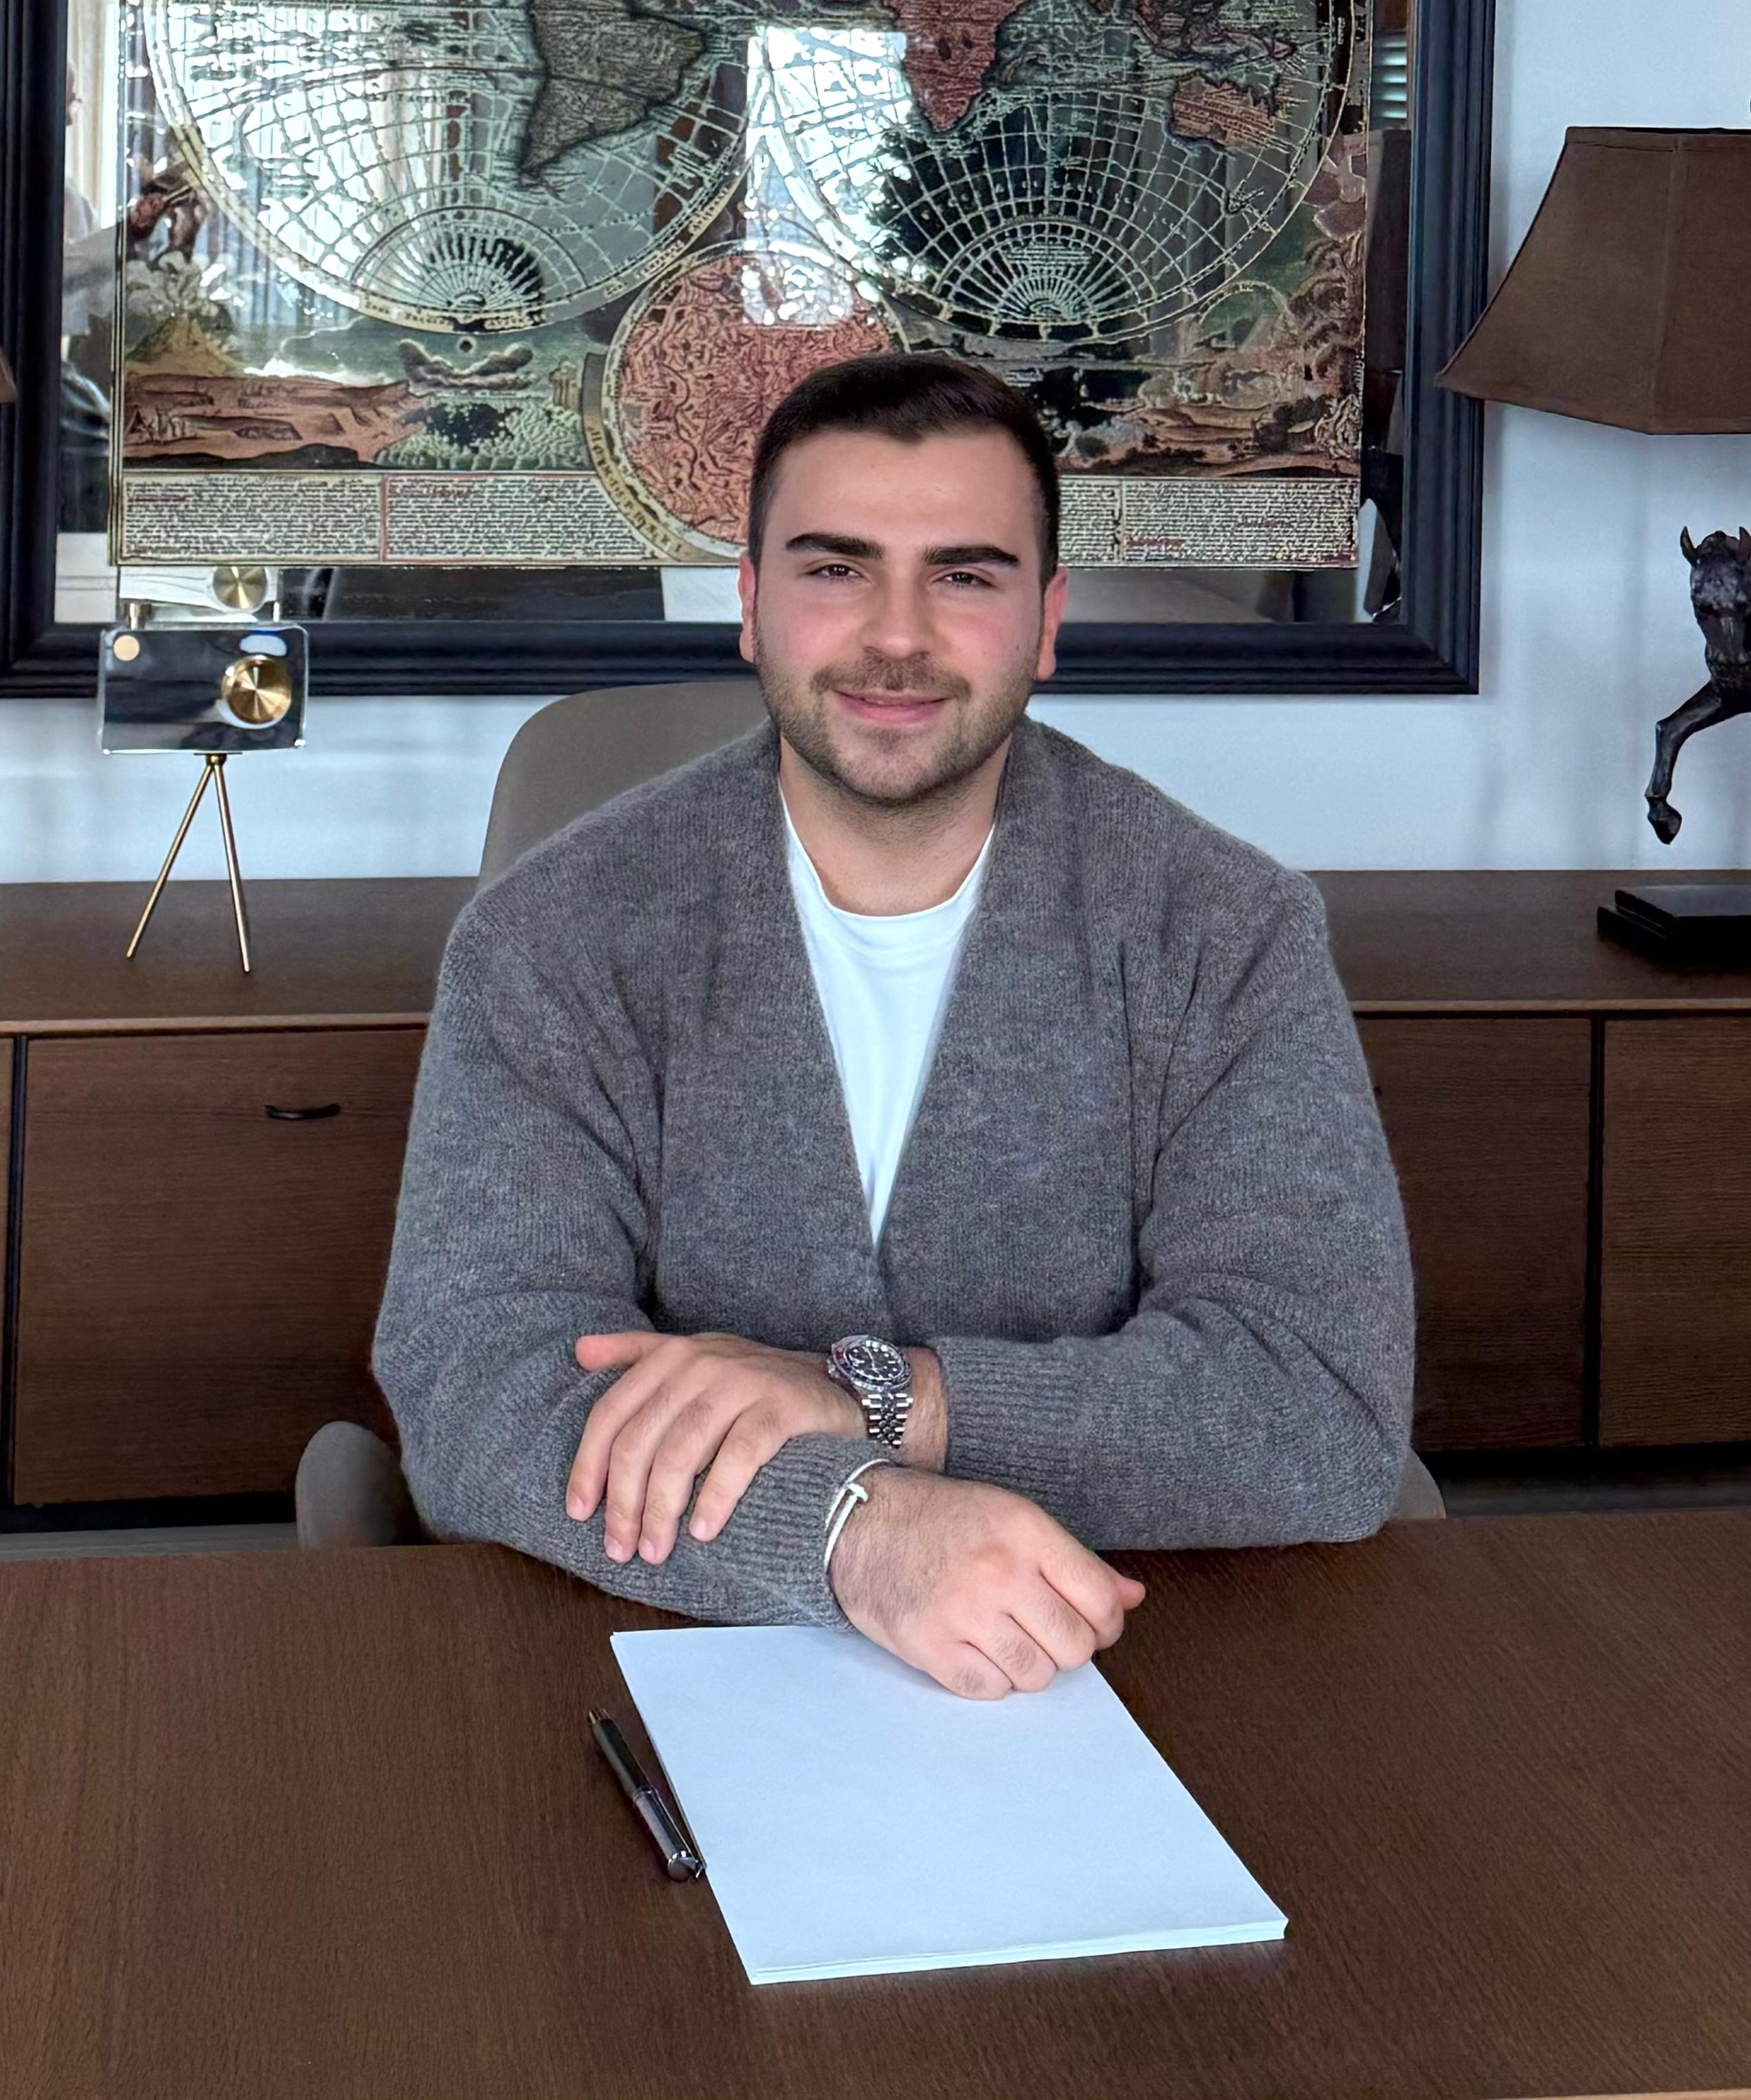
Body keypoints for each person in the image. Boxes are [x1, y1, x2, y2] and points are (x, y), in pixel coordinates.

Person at [369, 354, 1414, 1702]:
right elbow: (480, 1387)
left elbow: (1316, 1409)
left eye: (965, 575)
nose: (898, 636)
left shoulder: (1224, 928)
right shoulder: (552, 935)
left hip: (1129, 1660)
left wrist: (883, 1402)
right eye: (835, 569)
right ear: (752, 608)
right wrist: (852, 1528)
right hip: (650, 1658)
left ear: (1046, 620)